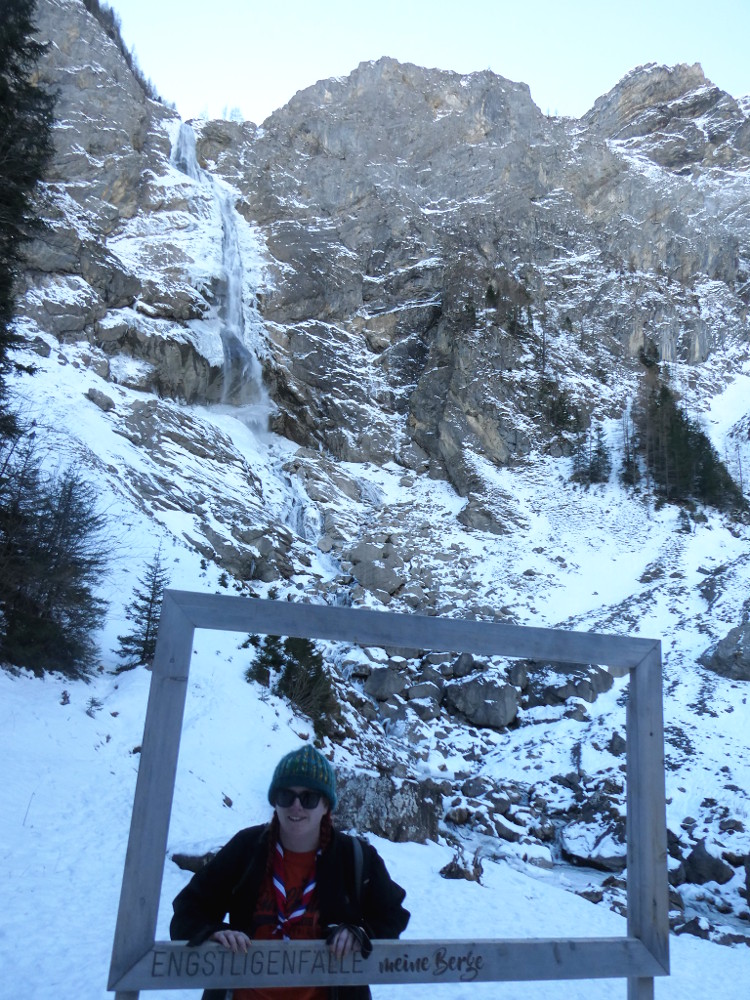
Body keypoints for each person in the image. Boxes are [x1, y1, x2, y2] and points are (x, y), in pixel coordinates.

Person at [171, 744, 410, 1000]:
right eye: (286, 796)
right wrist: (214, 931)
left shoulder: (354, 856)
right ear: (275, 802)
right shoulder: (246, 848)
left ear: (326, 805)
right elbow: (189, 908)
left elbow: (392, 914)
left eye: (308, 798)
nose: (296, 806)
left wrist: (361, 934)